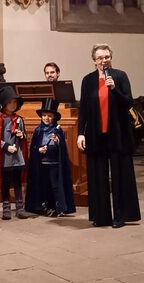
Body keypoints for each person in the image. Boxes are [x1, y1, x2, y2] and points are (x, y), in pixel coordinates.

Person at [77, 44, 140, 228]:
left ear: (111, 57)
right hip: (96, 135)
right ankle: (101, 216)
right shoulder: (87, 80)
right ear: (94, 61)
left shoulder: (119, 76)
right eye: (100, 58)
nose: (104, 60)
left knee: (121, 175)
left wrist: (114, 89)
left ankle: (121, 216)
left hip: (118, 134)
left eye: (107, 57)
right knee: (98, 175)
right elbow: (84, 111)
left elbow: (129, 102)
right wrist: (81, 133)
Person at [25, 99, 75, 217]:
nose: (46, 118)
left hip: (54, 163)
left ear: (54, 117)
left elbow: (62, 147)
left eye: (49, 116)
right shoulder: (38, 130)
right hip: (42, 163)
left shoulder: (57, 129)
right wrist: (38, 150)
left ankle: (58, 207)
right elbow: (34, 147)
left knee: (55, 186)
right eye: (44, 115)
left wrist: (58, 141)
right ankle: (44, 206)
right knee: (44, 186)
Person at [0, 86, 28, 220]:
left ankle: (20, 207)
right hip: (5, 157)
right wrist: (6, 147)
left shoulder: (19, 120)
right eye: (10, 102)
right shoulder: (0, 120)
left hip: (17, 157)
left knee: (17, 182)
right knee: (5, 182)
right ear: (4, 104)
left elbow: (24, 137)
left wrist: (22, 135)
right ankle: (6, 207)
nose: (13, 105)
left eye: (15, 103)